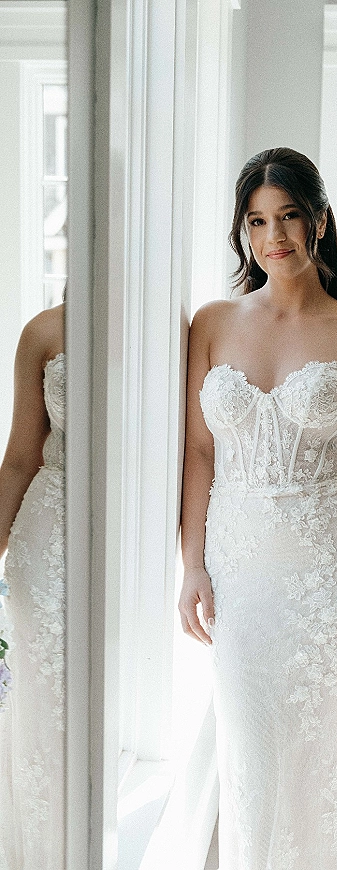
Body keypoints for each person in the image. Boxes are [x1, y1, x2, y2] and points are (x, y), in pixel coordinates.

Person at [179, 148, 337, 869]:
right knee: (253, 747)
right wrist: (190, 564)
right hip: (242, 567)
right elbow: (198, 453)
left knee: (331, 751)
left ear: (319, 221)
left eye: (287, 216)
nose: (273, 235)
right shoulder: (213, 324)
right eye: (256, 221)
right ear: (242, 232)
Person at [0, 301, 65, 870]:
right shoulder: (43, 333)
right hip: (44, 534)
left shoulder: (166, 330)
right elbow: (20, 457)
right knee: (41, 705)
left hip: (127, 542)